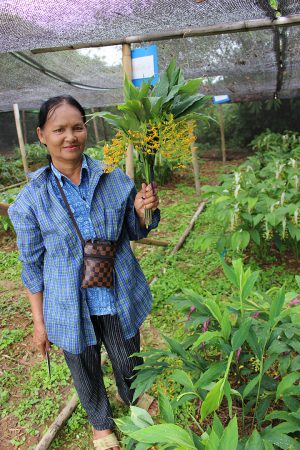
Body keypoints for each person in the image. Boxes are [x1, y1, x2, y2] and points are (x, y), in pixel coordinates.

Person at [9, 95, 160, 450]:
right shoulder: (32, 199)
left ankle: (132, 398)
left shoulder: (114, 178)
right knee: (83, 365)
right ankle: (100, 425)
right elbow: (31, 264)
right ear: (42, 135)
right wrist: (39, 321)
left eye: (76, 127)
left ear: (86, 130)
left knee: (128, 356)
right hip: (67, 302)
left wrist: (141, 210)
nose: (69, 136)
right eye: (59, 129)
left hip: (115, 291)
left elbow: (135, 230)